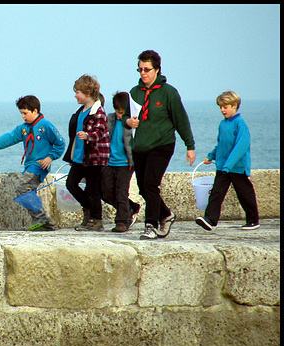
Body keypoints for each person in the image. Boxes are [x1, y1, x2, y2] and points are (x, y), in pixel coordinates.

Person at [122, 50, 196, 240]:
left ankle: (151, 226)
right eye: (139, 69)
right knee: (142, 186)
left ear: (157, 70)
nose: (143, 73)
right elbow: (125, 117)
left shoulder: (168, 93)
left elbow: (181, 120)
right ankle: (166, 215)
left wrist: (190, 146)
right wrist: (129, 122)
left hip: (162, 145)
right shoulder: (134, 92)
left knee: (151, 184)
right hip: (140, 146)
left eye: (147, 69)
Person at [0, 95, 66, 231]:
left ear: (35, 111)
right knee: (28, 191)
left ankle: (42, 219)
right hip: (29, 165)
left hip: (39, 165)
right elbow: (10, 138)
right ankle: (46, 223)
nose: (23, 117)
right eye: (21, 114)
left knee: (22, 188)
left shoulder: (45, 126)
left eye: (25, 113)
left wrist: (50, 157)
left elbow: (60, 143)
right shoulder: (23, 128)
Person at [196, 91, 259, 231]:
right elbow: (221, 145)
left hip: (237, 167)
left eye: (225, 107)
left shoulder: (240, 124)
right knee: (216, 193)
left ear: (234, 105)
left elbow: (240, 147)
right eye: (221, 107)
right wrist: (211, 156)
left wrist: (228, 166)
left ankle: (253, 220)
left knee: (244, 193)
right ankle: (210, 220)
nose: (222, 110)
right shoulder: (222, 124)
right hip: (223, 167)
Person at [61, 75, 110, 232]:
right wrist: (72, 155)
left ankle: (96, 219)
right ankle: (88, 209)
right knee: (71, 184)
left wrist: (88, 136)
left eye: (78, 92)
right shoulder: (80, 112)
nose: (75, 95)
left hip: (94, 159)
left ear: (88, 92)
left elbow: (100, 132)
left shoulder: (98, 112)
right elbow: (73, 135)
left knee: (92, 189)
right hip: (79, 157)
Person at [101, 91, 141, 232]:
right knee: (105, 192)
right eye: (118, 112)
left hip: (125, 163)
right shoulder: (109, 119)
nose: (120, 115)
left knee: (121, 192)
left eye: (123, 112)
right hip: (109, 162)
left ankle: (122, 222)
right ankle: (131, 208)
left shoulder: (133, 121)